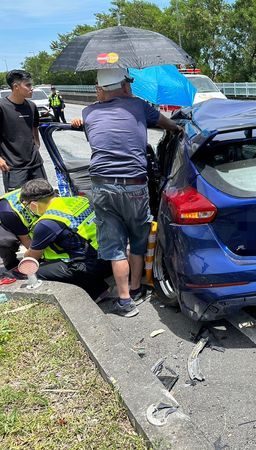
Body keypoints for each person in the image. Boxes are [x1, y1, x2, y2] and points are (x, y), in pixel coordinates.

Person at [71, 68, 181, 317]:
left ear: (101, 89)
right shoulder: (139, 106)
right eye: (129, 83)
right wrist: (177, 129)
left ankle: (124, 301)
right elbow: (168, 124)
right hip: (134, 184)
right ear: (123, 86)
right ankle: (135, 287)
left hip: (101, 184)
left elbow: (98, 137)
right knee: (138, 238)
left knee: (114, 244)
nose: (131, 87)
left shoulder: (88, 112)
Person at [20, 179, 113, 304]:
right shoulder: (79, 200)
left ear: (33, 204)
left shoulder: (47, 223)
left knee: (34, 271)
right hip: (111, 256)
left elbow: (33, 257)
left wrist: (26, 255)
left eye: (26, 205)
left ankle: (95, 291)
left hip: (92, 267)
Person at [0, 70, 48, 193]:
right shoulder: (2, 107)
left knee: (44, 199)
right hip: (14, 167)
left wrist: (36, 145)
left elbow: (34, 127)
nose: (31, 88)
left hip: (36, 164)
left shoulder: (31, 106)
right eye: (28, 85)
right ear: (16, 87)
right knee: (18, 205)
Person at [0, 187, 37, 270]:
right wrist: (38, 257)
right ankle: (11, 264)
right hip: (6, 219)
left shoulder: (40, 193)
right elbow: (25, 239)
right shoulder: (11, 212)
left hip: (11, 216)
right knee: (6, 241)